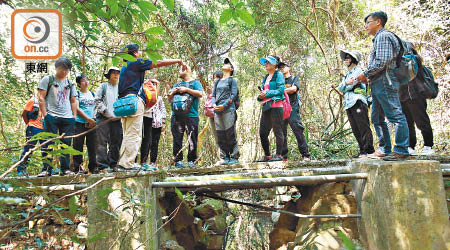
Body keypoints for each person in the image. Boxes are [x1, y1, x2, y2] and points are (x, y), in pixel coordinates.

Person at [117, 43, 186, 171]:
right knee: (134, 134)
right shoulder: (135, 62)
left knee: (127, 133)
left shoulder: (124, 67)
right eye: (139, 51)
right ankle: (127, 164)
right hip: (133, 102)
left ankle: (123, 162)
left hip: (123, 103)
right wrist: (178, 60)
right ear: (135, 53)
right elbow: (158, 62)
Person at [356, 11, 410, 161]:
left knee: (395, 114)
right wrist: (369, 77)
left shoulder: (383, 36)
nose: (366, 26)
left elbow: (382, 61)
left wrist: (365, 73)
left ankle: (401, 149)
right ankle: (384, 149)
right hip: (378, 80)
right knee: (377, 117)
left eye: (368, 22)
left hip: (386, 79)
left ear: (378, 22)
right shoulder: (378, 38)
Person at [37, 58, 77, 176]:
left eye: (67, 70)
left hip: (67, 117)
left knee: (66, 143)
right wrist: (45, 115)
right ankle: (47, 169)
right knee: (48, 142)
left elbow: (73, 100)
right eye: (62, 69)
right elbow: (41, 97)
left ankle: (65, 169)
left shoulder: (70, 83)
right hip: (51, 116)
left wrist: (74, 116)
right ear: (56, 68)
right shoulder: (48, 80)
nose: (64, 72)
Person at [336, 50, 375, 158]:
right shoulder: (347, 75)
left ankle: (369, 150)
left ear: (354, 60)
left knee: (363, 126)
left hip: (358, 101)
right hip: (348, 103)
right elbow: (340, 87)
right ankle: (362, 150)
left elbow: (350, 85)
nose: (346, 60)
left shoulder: (358, 71)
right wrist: (345, 83)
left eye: (348, 58)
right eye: (345, 58)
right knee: (355, 128)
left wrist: (346, 84)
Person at [399, 44, 434, 155]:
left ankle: (428, 146)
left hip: (416, 96)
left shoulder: (416, 62)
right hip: (404, 97)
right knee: (408, 123)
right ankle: (410, 147)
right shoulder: (399, 63)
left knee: (421, 122)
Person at [168, 66, 203, 168]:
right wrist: (174, 91)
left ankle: (191, 160)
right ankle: (178, 161)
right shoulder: (177, 84)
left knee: (192, 138)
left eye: (181, 69)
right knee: (177, 139)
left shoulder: (195, 83)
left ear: (187, 70)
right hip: (176, 115)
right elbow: (169, 98)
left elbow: (200, 94)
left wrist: (186, 89)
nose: (179, 71)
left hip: (191, 115)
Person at [278, 61, 311, 161]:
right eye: (280, 67)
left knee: (298, 130)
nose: (282, 68)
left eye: (284, 66)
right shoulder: (279, 80)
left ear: (289, 67)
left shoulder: (294, 78)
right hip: (281, 109)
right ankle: (283, 157)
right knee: (281, 132)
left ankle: (305, 155)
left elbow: (293, 89)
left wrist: (280, 91)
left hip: (293, 108)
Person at [211, 58, 240, 165]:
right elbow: (213, 95)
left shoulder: (232, 80)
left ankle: (234, 156)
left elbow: (233, 95)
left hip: (228, 110)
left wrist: (224, 105)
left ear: (231, 68)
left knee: (230, 133)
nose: (225, 65)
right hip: (217, 111)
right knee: (220, 134)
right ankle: (224, 157)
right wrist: (214, 104)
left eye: (227, 64)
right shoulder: (218, 81)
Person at [257, 55, 285, 162]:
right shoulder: (266, 77)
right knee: (263, 132)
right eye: (265, 62)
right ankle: (267, 155)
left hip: (276, 105)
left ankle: (279, 155)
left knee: (277, 130)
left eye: (268, 62)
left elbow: (281, 90)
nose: (266, 64)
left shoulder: (279, 74)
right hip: (266, 106)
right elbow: (263, 92)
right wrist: (260, 96)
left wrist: (267, 93)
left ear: (275, 64)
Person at [95, 67, 122, 172]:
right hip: (103, 117)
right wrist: (107, 113)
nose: (115, 75)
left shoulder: (121, 88)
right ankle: (102, 166)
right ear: (109, 75)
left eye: (117, 73)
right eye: (113, 73)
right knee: (101, 142)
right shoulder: (103, 86)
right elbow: (97, 101)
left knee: (116, 141)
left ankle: (113, 164)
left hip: (117, 118)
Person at [72, 74, 98, 174]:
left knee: (93, 146)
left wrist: (93, 119)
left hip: (92, 124)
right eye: (83, 81)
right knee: (78, 145)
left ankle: (93, 167)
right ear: (79, 84)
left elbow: (96, 107)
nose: (86, 82)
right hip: (79, 123)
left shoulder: (92, 94)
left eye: (87, 80)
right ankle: (78, 167)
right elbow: (77, 108)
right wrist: (88, 119)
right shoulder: (77, 94)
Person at [140, 79, 166, 170]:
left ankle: (153, 162)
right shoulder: (145, 97)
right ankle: (143, 161)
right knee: (146, 142)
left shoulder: (159, 99)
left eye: (154, 85)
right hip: (147, 122)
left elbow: (163, 110)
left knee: (155, 143)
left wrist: (163, 122)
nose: (153, 87)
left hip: (157, 124)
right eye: (151, 85)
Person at [16, 96, 45, 176]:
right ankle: (21, 169)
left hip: (45, 128)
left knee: (47, 148)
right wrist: (29, 124)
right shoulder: (33, 100)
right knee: (29, 148)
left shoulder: (49, 101)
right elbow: (24, 114)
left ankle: (47, 169)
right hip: (33, 127)